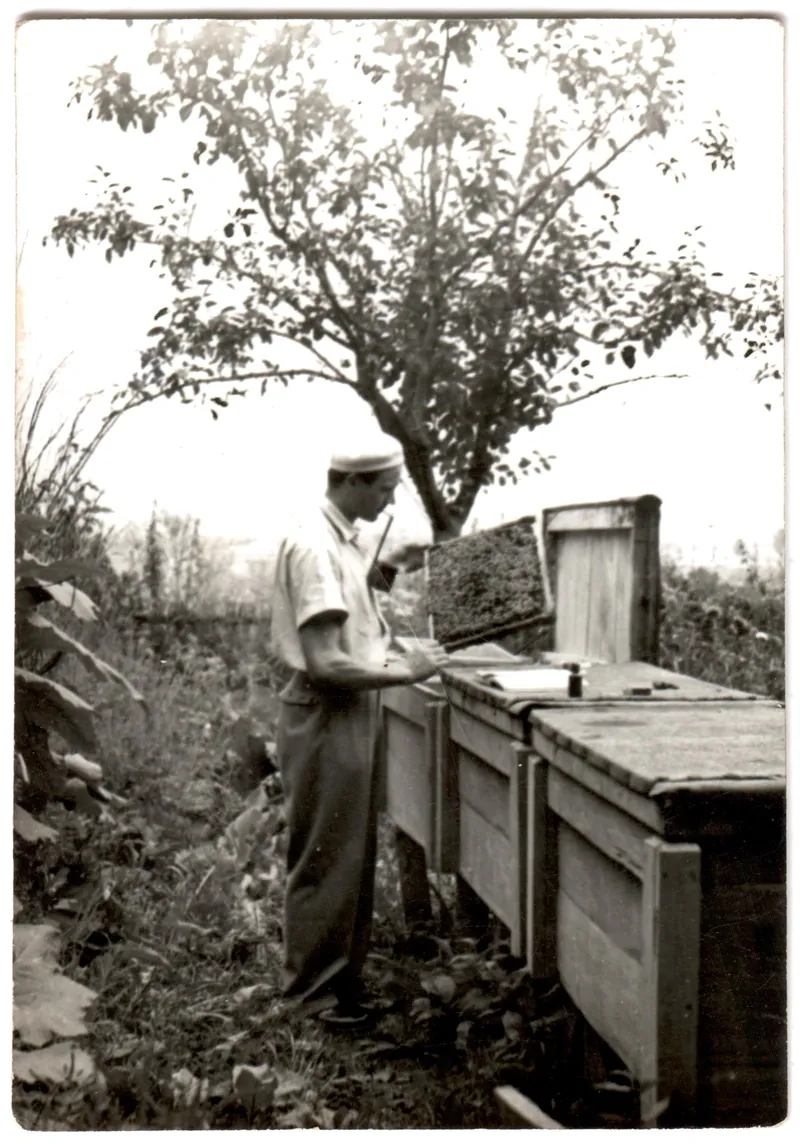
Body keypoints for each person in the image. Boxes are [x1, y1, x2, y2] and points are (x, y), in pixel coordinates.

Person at [271, 429, 448, 1026]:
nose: (389, 504)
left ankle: (339, 983)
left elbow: (356, 603)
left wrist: (391, 567)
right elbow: (326, 660)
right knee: (325, 853)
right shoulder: (315, 547)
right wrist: (407, 668)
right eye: (384, 490)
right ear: (350, 481)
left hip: (348, 707)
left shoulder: (342, 540)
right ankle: (312, 997)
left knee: (350, 852)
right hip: (326, 708)